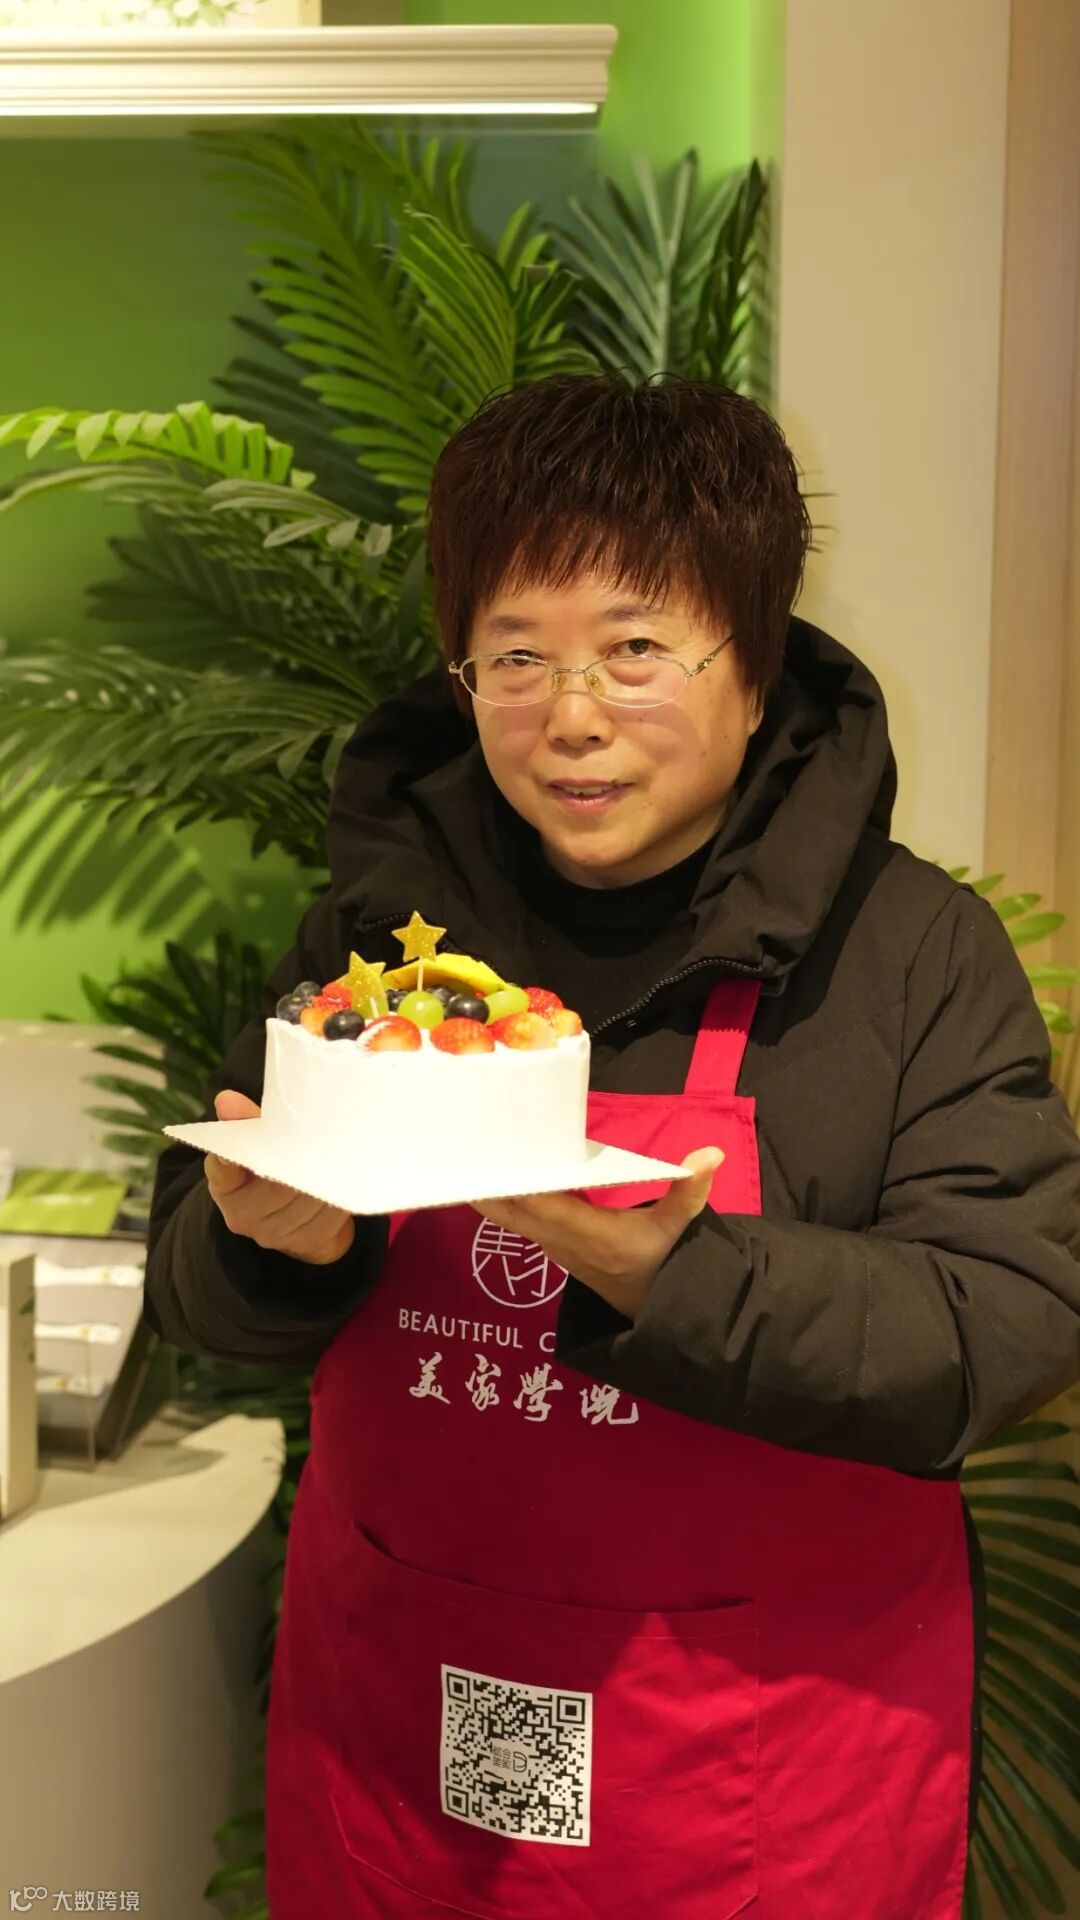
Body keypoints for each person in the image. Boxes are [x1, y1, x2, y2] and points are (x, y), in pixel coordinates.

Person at [145, 374, 1080, 1920]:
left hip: (771, 1756)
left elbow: (1008, 1323)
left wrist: (673, 1279)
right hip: (406, 1717)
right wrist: (264, 1247)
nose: (571, 715)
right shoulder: (383, 952)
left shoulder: (914, 954)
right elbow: (197, 1276)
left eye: (636, 650)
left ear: (756, 670)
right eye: (517, 655)